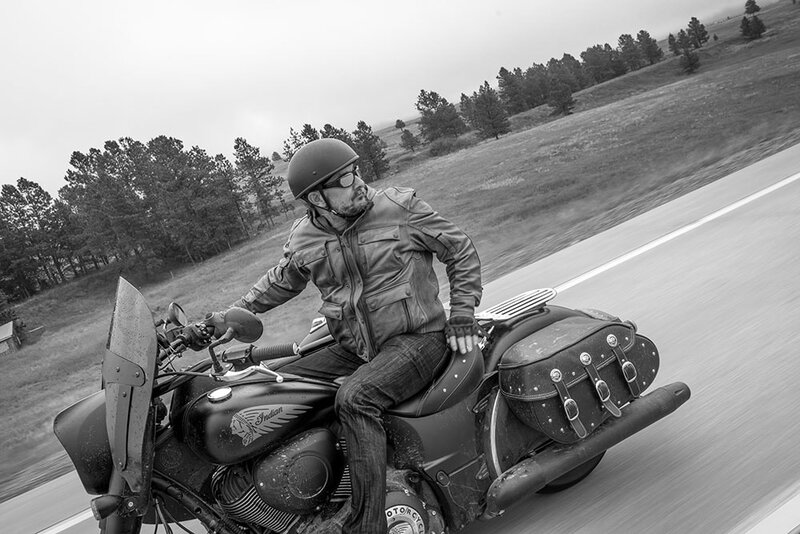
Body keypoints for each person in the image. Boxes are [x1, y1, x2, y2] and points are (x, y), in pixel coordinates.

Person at [230, 137, 482, 534]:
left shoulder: (399, 208)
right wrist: (229, 317)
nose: (360, 183)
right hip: (355, 346)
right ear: (317, 198)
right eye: (346, 179)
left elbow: (459, 249)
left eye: (356, 172)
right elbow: (280, 281)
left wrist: (463, 312)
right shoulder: (305, 236)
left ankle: (368, 524)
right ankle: (308, 495)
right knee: (274, 388)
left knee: (356, 398)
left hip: (417, 338)